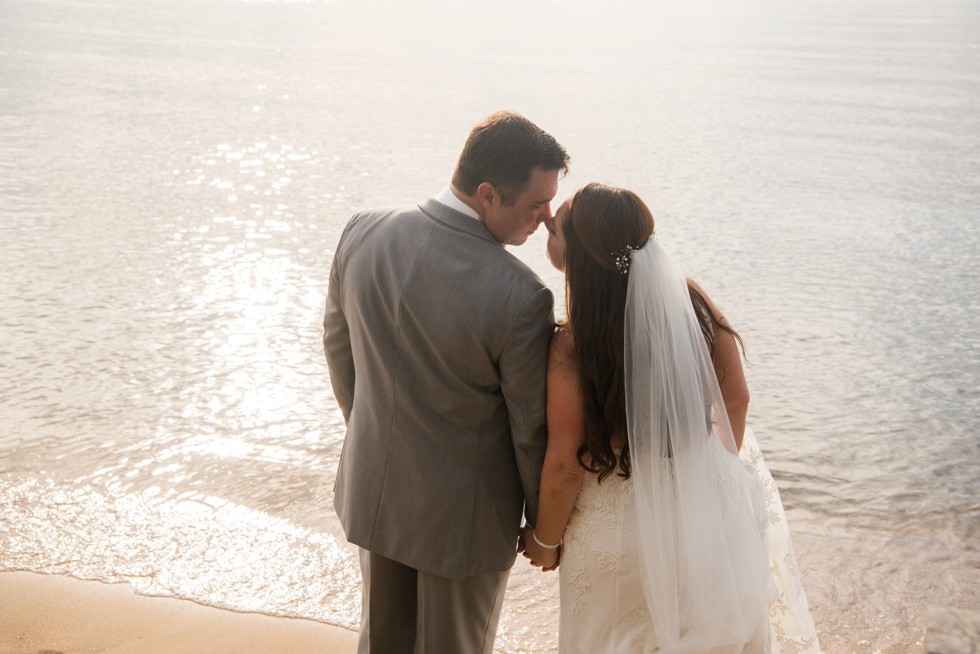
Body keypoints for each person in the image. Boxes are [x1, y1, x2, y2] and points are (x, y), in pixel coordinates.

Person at [522, 183, 821, 653]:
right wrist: (711, 472)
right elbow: (737, 398)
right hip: (702, 520)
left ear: (579, 255)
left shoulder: (573, 344)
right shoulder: (691, 306)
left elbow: (564, 465)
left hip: (616, 531)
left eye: (555, 228)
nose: (545, 227)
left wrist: (544, 539)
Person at [323, 111, 569, 654]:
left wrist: (376, 438)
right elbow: (529, 430)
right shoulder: (522, 295)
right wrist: (541, 526)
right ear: (487, 194)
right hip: (463, 527)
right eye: (535, 203)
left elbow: (340, 355)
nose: (547, 218)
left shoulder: (362, 230)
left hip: (375, 491)